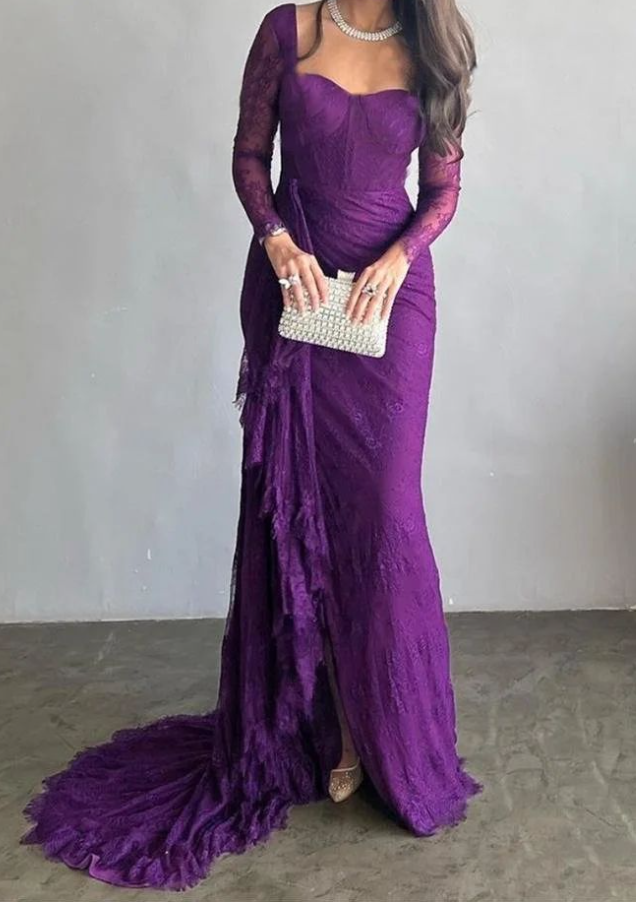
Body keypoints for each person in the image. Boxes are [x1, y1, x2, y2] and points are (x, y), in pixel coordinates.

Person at [20, 0, 483, 891]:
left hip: (387, 309)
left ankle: (386, 732)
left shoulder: (434, 44)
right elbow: (248, 157)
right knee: (297, 503)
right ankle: (325, 727)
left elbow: (444, 191)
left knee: (384, 514)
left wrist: (398, 259)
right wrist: (274, 240)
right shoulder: (287, 31)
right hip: (293, 295)